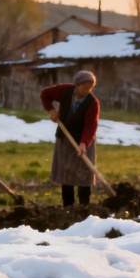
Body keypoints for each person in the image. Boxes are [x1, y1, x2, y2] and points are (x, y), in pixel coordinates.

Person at [40, 71, 101, 207]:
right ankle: (68, 207)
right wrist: (51, 110)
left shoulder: (93, 103)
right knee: (66, 174)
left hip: (84, 140)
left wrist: (84, 144)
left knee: (84, 174)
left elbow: (90, 127)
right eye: (85, 87)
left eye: (90, 87)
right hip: (65, 138)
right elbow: (45, 94)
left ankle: (84, 206)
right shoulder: (65, 91)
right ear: (77, 85)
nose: (88, 90)